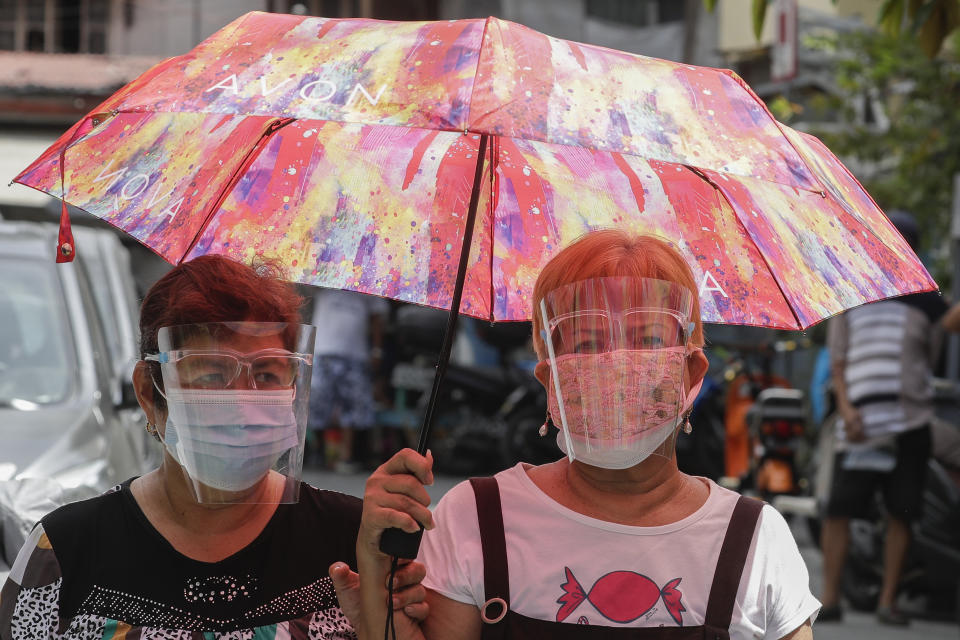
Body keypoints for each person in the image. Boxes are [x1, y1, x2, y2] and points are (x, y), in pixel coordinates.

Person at [358, 230, 820, 640]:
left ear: (692, 373)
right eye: (587, 342)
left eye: (647, 340)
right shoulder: (474, 518)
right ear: (549, 379)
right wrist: (377, 574)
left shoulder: (755, 539)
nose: (617, 363)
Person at [0, 255, 427, 640]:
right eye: (209, 375)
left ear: (294, 387)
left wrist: (381, 624)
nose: (242, 401)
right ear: (150, 392)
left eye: (267, 375)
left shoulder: (358, 546)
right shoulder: (66, 551)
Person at [819, 210, 960, 626]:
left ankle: (887, 599)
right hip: (860, 423)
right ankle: (830, 597)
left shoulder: (924, 296)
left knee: (904, 511)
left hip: (910, 419)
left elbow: (950, 325)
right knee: (838, 510)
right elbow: (839, 363)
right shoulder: (852, 292)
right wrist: (845, 409)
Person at [308, 288, 388, 472]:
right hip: (322, 350)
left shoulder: (370, 280)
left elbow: (377, 316)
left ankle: (346, 456)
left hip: (354, 354)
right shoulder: (325, 274)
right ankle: (320, 452)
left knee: (351, 407)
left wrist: (377, 350)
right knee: (317, 404)